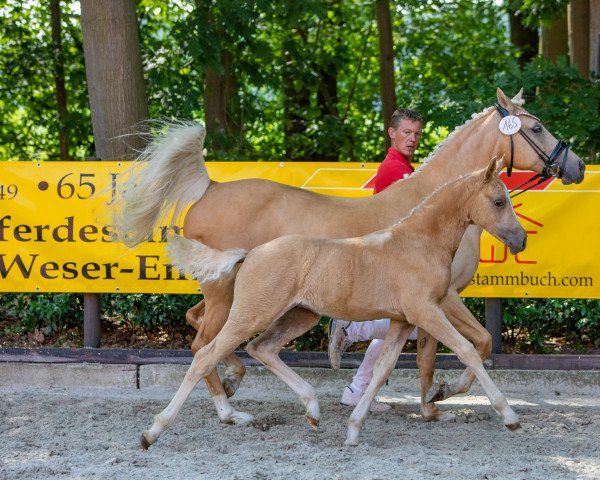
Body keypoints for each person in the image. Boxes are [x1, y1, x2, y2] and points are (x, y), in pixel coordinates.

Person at [328, 108, 423, 412]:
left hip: (393, 258)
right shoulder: (397, 169)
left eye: (417, 133)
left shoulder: (403, 166)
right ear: (392, 133)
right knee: (415, 325)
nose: (413, 138)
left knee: (406, 326)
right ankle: (351, 330)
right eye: (407, 132)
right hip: (390, 260)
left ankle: (357, 389)